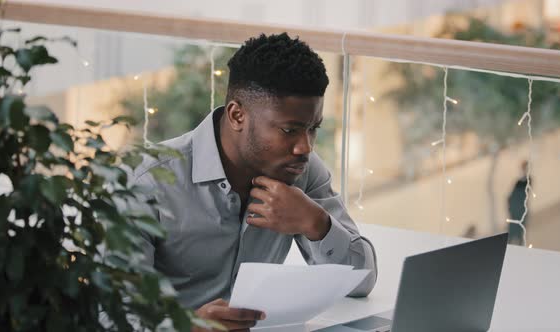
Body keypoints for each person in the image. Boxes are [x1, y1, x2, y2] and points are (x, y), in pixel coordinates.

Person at [130, 33, 377, 331]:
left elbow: (362, 282)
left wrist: (316, 224)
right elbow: (108, 315)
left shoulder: (302, 172)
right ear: (237, 115)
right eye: (290, 130)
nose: (305, 147)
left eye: (313, 129)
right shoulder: (147, 182)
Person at [507, 160, 531, 245]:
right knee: (512, 233)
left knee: (519, 234)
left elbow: (523, 193)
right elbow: (512, 195)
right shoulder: (518, 181)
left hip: (520, 210)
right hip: (515, 211)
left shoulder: (527, 180)